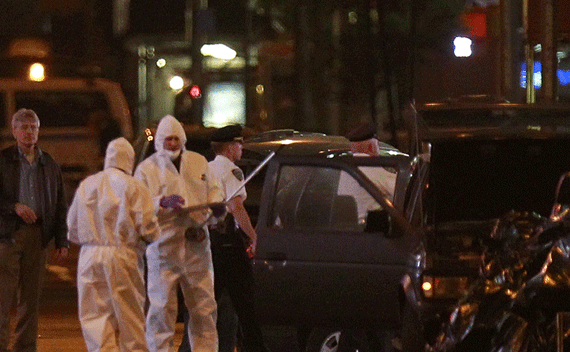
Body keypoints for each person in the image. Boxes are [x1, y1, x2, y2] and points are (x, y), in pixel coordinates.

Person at [134, 115, 225, 352]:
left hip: (197, 245)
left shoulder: (198, 162)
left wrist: (217, 206)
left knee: (203, 308)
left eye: (176, 138)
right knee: (161, 309)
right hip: (164, 247)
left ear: (182, 139)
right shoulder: (147, 169)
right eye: (167, 139)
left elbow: (213, 190)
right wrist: (161, 202)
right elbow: (138, 205)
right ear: (159, 142)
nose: (172, 144)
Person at [179, 125, 269, 352]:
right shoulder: (232, 171)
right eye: (239, 143)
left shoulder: (207, 169)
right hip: (229, 242)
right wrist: (254, 237)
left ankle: (188, 348)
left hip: (210, 242)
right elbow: (236, 207)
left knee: (205, 302)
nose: (242, 148)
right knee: (246, 303)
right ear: (230, 147)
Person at [67, 137, 159, 352]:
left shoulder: (87, 184)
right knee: (129, 315)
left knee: (95, 317)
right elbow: (148, 227)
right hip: (123, 253)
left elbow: (72, 226)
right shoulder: (135, 186)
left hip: (89, 255)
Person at [0, 108, 68, 352]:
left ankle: (25, 346)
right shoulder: (4, 160)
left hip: (38, 235)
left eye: (34, 127)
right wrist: (13, 207)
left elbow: (60, 203)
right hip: (8, 234)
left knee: (31, 297)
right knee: (3, 294)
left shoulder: (48, 163)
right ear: (14, 131)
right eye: (24, 127)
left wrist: (61, 240)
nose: (29, 132)